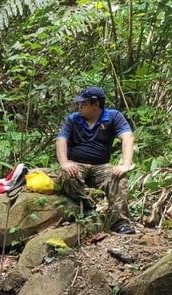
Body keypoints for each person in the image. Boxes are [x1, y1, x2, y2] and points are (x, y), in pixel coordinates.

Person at [56, 86, 136, 234]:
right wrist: (65, 162)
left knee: (118, 179)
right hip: (76, 164)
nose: (79, 107)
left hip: (101, 166)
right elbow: (61, 140)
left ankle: (119, 222)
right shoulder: (73, 119)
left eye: (84, 104)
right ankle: (87, 208)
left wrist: (125, 165)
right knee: (68, 175)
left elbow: (128, 137)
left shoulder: (113, 116)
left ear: (96, 105)